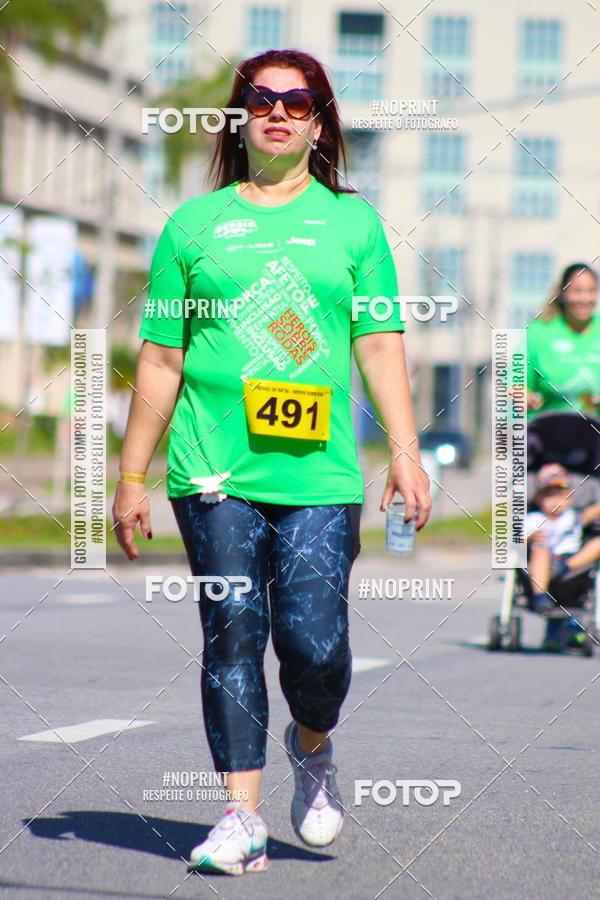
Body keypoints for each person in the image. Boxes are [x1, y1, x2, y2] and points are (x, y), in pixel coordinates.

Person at [112, 48, 431, 876]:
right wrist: (130, 475)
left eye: (297, 101)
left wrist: (404, 452)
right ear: (239, 116)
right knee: (233, 635)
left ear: (319, 123)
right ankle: (241, 815)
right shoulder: (194, 226)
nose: (278, 111)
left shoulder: (352, 225)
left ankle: (313, 743)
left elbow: (380, 341)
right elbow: (160, 359)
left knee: (315, 647)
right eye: (261, 99)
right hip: (212, 472)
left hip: (320, 474)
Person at [526, 463, 600, 648]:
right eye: (549, 496)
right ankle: (540, 596)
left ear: (569, 498)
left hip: (572, 563)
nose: (555, 501)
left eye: (560, 495)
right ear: (538, 498)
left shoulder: (574, 517)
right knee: (540, 550)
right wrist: (531, 537)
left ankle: (565, 567)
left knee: (597, 543)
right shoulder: (533, 519)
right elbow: (518, 541)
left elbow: (594, 511)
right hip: (545, 562)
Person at [526, 262, 600, 416]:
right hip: (547, 430)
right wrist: (521, 395)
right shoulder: (538, 332)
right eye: (577, 291)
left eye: (591, 291)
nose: (584, 299)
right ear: (563, 293)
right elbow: (516, 380)